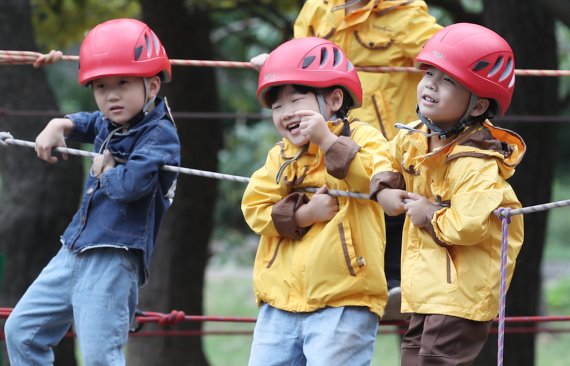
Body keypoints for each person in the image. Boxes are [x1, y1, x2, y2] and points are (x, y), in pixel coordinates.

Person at [4, 18, 180, 366]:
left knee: (100, 356)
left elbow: (132, 187)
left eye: (123, 83)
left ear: (153, 85)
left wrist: (107, 170)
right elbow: (88, 121)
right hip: (72, 250)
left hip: (114, 258)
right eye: (100, 86)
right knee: (21, 331)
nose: (111, 95)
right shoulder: (111, 119)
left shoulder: (160, 135)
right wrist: (61, 124)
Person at [251, 1, 442, 318]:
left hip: (385, 140)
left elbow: (441, 55)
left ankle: (395, 281)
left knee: (390, 206)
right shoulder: (316, 9)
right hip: (325, 133)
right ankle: (320, 286)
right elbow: (299, 50)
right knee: (335, 208)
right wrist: (275, 64)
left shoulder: (404, 14)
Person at [369, 23, 525, 365]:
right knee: (412, 359)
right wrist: (383, 186)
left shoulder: (477, 162)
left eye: (449, 80)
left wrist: (429, 214)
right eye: (430, 73)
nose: (431, 85)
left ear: (478, 106)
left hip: (459, 295)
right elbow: (384, 153)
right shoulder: (415, 138)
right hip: (424, 290)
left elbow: (469, 225)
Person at [241, 37, 388, 365]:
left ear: (334, 99)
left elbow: (375, 180)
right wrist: (304, 214)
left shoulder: (363, 137)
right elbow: (254, 209)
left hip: (345, 301)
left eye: (296, 100)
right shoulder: (279, 155)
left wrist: (327, 141)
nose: (286, 113)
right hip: (279, 300)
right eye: (277, 106)